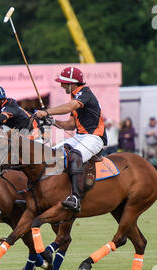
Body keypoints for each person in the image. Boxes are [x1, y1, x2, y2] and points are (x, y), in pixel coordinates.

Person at [35, 66, 107, 213]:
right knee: (52, 152)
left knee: (74, 156)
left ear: (72, 83)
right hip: (80, 136)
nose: (61, 85)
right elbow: (70, 125)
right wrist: (52, 121)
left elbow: (70, 107)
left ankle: (75, 197)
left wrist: (47, 111)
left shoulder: (84, 93)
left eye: (63, 83)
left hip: (95, 137)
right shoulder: (75, 97)